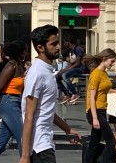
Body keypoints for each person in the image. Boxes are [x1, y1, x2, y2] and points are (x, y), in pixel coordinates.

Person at [20, 25, 83, 163]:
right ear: (40, 47)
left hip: (45, 142)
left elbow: (46, 110)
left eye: (58, 42)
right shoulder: (37, 74)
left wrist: (67, 129)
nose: (58, 47)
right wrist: (25, 156)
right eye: (53, 44)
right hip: (39, 146)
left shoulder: (48, 71)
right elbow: (29, 115)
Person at [83, 48, 116, 163]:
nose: (113, 64)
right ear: (104, 59)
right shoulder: (95, 74)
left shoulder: (104, 73)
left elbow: (103, 90)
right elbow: (92, 97)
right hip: (95, 111)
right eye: (112, 61)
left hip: (102, 110)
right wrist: (94, 118)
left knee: (94, 143)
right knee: (111, 142)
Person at [57, 39, 86, 105]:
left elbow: (77, 63)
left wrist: (66, 70)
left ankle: (74, 93)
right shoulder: (70, 51)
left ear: (68, 42)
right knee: (57, 76)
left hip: (80, 68)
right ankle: (67, 94)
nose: (63, 45)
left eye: (64, 43)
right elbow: (71, 63)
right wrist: (62, 70)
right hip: (73, 68)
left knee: (64, 75)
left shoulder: (78, 49)